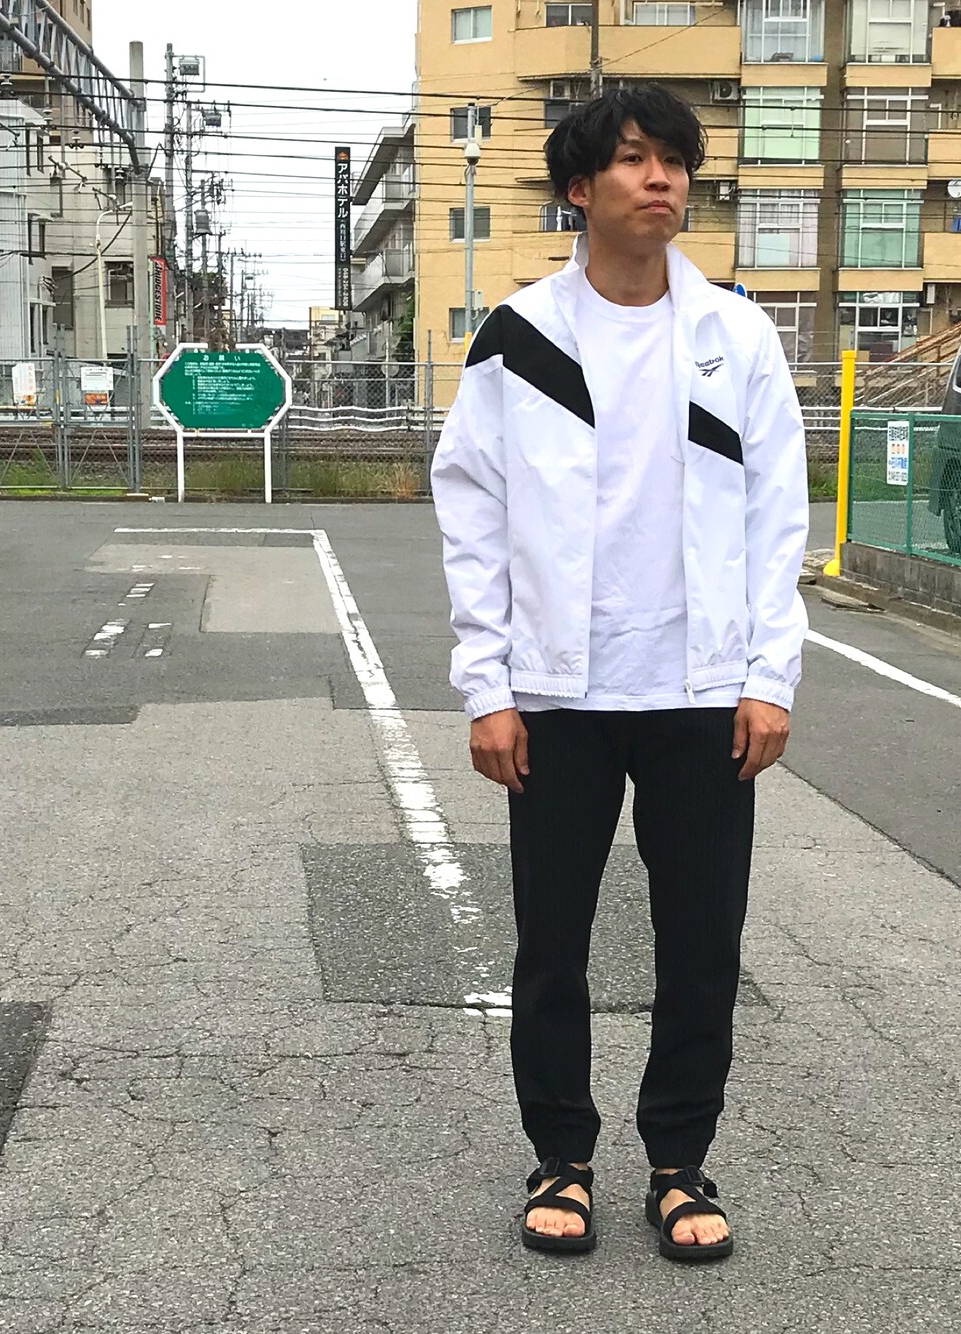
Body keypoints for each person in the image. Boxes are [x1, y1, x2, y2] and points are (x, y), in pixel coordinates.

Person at [431, 84, 809, 1261]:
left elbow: (777, 515)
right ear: (578, 189)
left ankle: (679, 1161)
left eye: (675, 161)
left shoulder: (736, 336)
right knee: (553, 942)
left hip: (703, 693)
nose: (661, 179)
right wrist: (488, 686)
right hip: (560, 696)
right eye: (636, 159)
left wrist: (770, 674)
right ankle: (561, 1154)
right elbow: (471, 515)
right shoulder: (518, 337)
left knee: (702, 943)